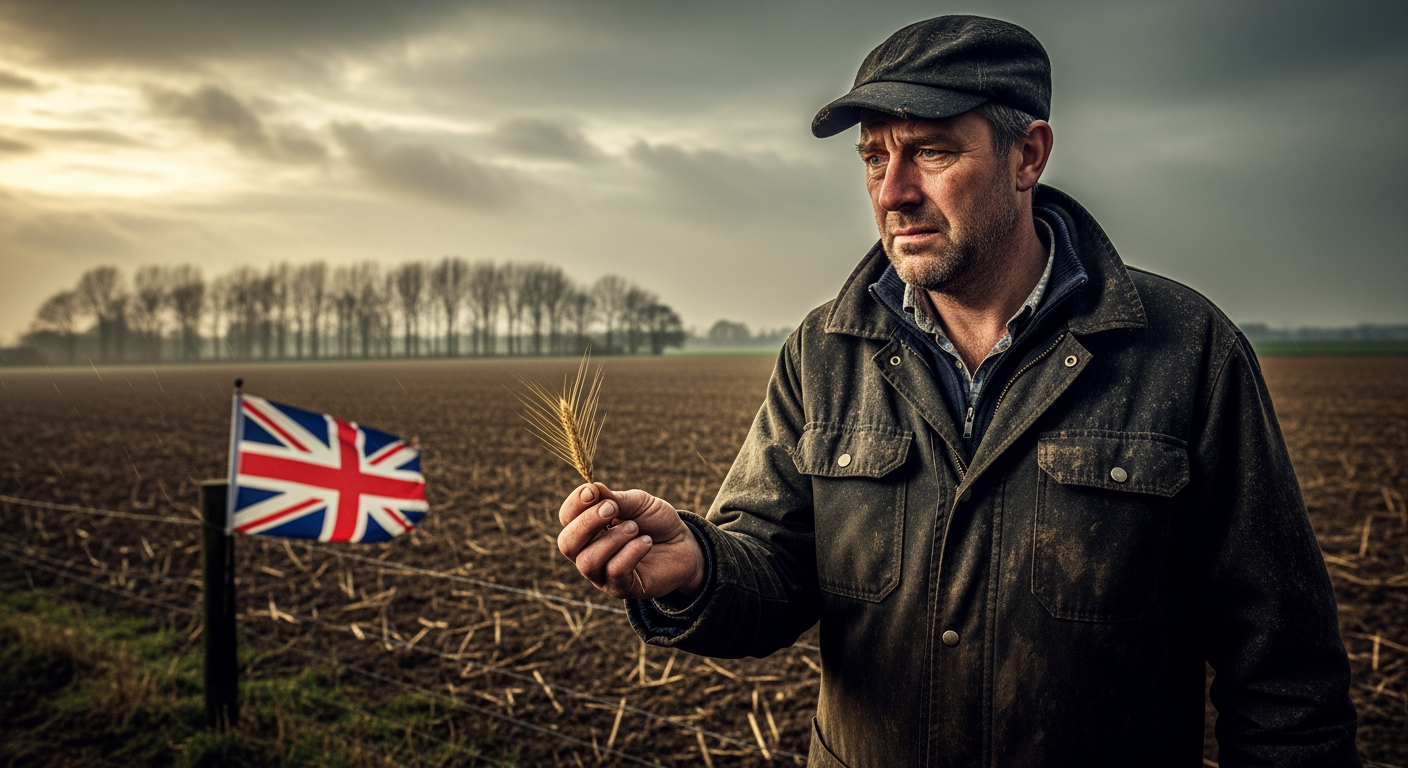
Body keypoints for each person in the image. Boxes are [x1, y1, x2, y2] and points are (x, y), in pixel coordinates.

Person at [555, 15, 1360, 767]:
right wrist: (697, 565)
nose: (891, 191)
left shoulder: (1186, 351)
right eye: (874, 157)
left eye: (932, 152)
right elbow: (773, 571)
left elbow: (1285, 672)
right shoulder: (826, 352)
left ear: (1028, 156)